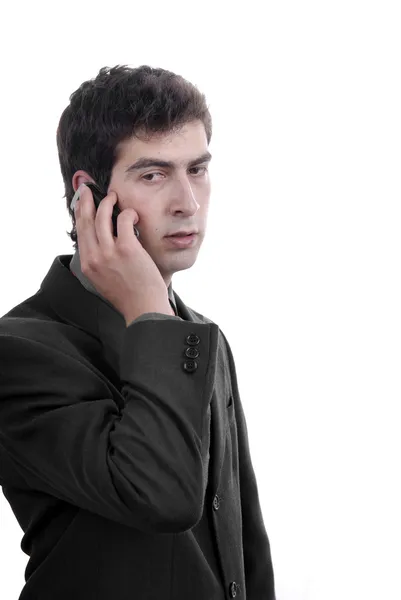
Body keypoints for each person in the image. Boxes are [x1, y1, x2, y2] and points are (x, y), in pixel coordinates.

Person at [0, 64, 275, 600]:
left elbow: (243, 549)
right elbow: (163, 496)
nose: (187, 202)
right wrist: (148, 308)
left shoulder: (197, 336)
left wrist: (159, 316)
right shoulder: (18, 354)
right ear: (88, 195)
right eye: (154, 175)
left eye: (197, 169)